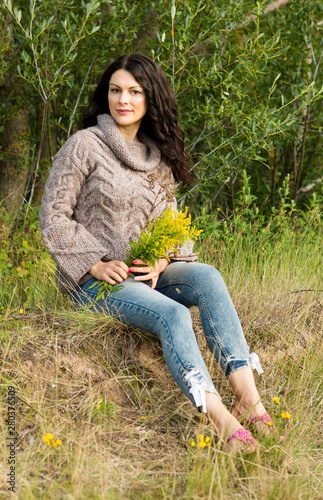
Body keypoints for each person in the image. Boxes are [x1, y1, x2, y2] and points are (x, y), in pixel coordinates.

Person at [39, 53, 282, 453]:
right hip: (94, 284)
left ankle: (249, 398)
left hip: (144, 276)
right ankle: (219, 416)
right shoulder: (84, 145)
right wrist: (94, 264)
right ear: (106, 96)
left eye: (135, 92)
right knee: (172, 313)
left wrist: (163, 259)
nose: (124, 100)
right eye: (116, 90)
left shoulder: (157, 160)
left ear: (150, 99)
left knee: (208, 277)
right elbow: (53, 215)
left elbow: (173, 229)